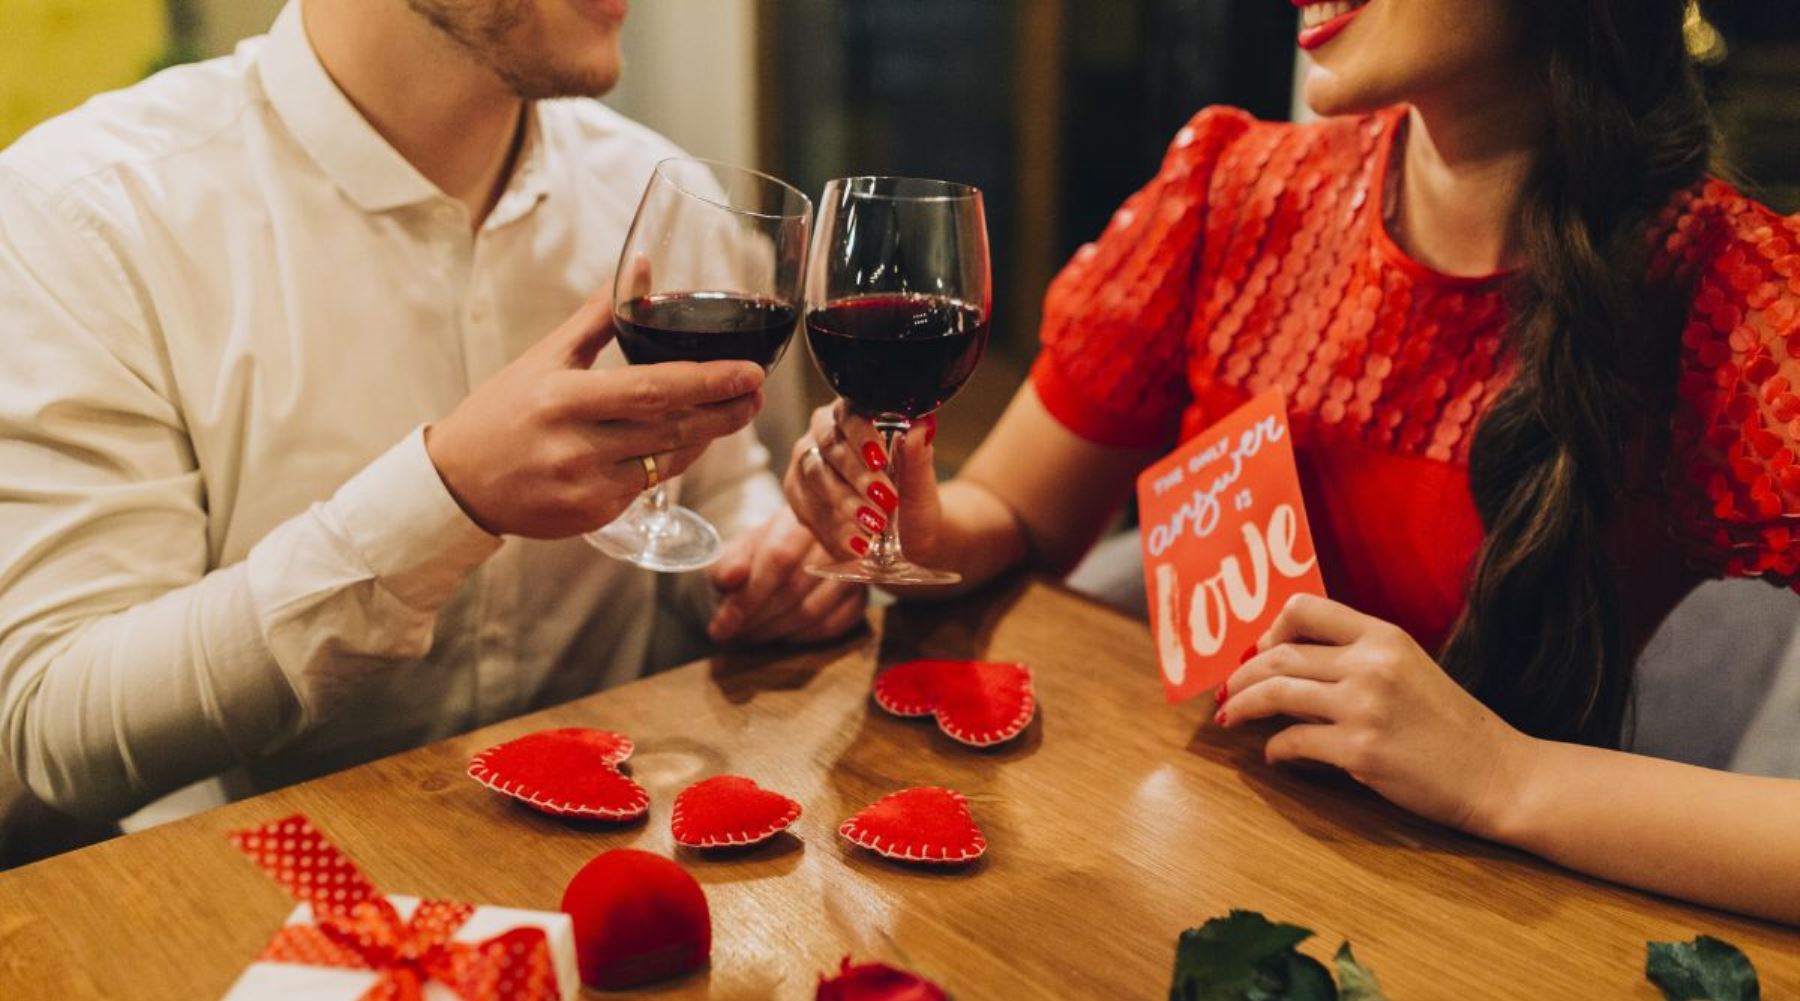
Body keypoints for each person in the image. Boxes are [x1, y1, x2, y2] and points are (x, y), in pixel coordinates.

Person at [783, 0, 1800, 923]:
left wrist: (1505, 776)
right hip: (1186, 875)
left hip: (1485, 938)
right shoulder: (1238, 189)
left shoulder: (1732, 299)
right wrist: (924, 526)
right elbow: (1009, 512)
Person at [0, 0, 860, 862]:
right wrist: (445, 498)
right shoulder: (88, 215)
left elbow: (708, 508)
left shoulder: (657, 191)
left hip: (625, 864)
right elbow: (63, 736)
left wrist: (765, 573)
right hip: (254, 896)